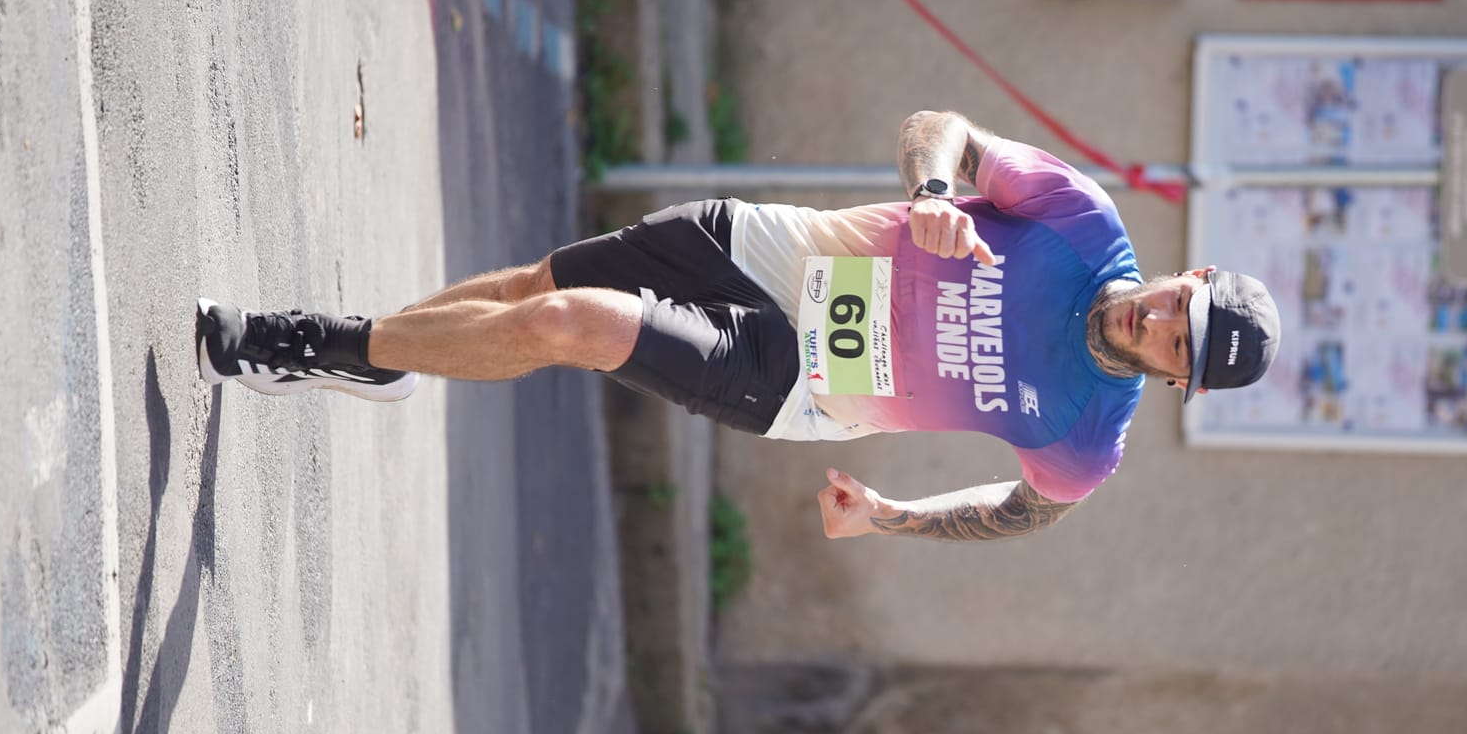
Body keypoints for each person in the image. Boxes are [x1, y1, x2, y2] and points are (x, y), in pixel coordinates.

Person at [195, 111, 1280, 542]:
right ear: (1190, 274)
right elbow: (934, 126)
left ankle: (315, 344)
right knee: (538, 287)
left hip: (793, 378)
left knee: (570, 319)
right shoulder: (1081, 220)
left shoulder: (1089, 435)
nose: (1160, 322)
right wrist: (939, 194)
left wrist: (893, 517)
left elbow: (1018, 513)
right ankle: (388, 358)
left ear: (1173, 379)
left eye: (1177, 346)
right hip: (768, 248)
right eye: (1183, 306)